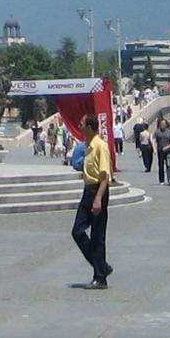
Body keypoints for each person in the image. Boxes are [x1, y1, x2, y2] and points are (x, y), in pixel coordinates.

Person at [69, 112, 113, 290]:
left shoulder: (100, 146)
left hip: (98, 191)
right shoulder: (87, 146)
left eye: (81, 124)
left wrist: (98, 199)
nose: (79, 127)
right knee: (77, 231)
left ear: (89, 127)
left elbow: (105, 176)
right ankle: (101, 265)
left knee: (97, 236)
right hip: (88, 190)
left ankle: (100, 277)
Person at [154, 118, 170, 185]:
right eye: (161, 124)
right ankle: (161, 180)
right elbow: (154, 140)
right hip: (160, 150)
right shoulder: (157, 132)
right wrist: (154, 149)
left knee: (168, 164)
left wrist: (167, 147)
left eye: (164, 124)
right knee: (160, 165)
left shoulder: (169, 132)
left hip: (168, 150)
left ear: (166, 124)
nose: (162, 125)